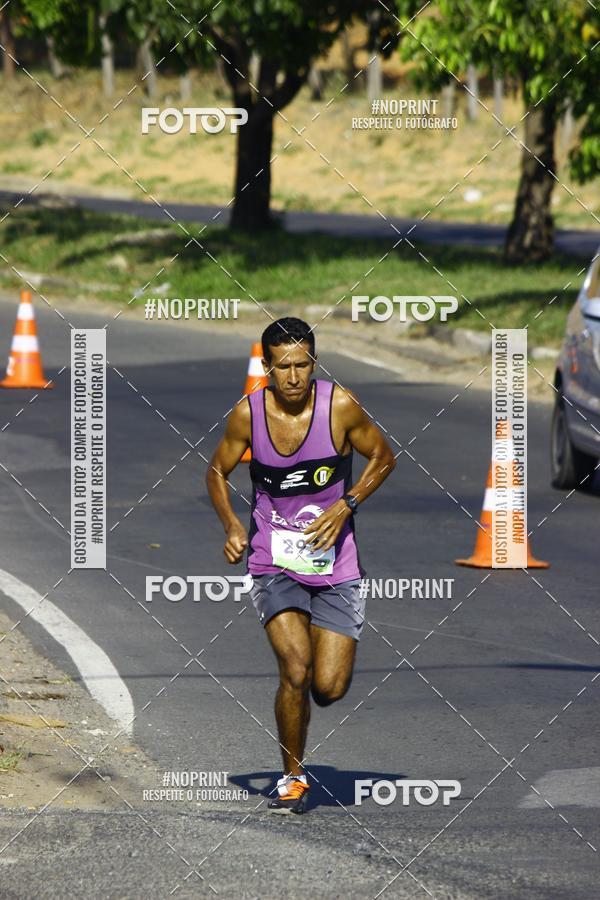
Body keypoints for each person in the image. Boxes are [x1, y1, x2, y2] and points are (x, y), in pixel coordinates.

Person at [206, 317, 395, 814]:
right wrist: (231, 524)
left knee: (328, 688)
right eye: (283, 366)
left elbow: (384, 457)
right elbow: (216, 470)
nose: (294, 376)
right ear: (266, 366)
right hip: (274, 560)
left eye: (303, 364)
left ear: (314, 363)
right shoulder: (248, 416)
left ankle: (306, 704)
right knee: (295, 668)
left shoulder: (341, 407)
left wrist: (347, 503)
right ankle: (292, 777)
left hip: (336, 562)